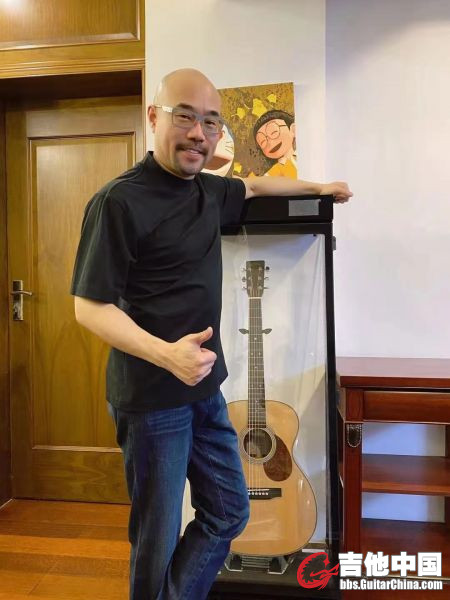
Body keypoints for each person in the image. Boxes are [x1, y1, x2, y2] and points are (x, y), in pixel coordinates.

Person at [70, 68, 352, 600]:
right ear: (154, 118)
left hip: (206, 390)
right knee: (155, 538)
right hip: (151, 400)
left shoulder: (208, 191)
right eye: (185, 116)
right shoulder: (118, 202)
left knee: (228, 511)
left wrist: (318, 188)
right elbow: (90, 307)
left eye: (211, 122)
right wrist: (166, 355)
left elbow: (258, 184)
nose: (198, 133)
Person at [253, 109, 297, 178]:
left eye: (274, 132)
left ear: (293, 130)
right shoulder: (271, 175)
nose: (270, 143)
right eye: (262, 141)